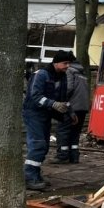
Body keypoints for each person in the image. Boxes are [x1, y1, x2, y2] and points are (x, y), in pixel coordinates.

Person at [22, 49, 71, 191]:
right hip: (34, 113)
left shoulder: (61, 76)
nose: (67, 66)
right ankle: (30, 178)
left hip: (44, 114)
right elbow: (35, 96)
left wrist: (70, 112)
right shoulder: (41, 75)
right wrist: (54, 104)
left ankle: (35, 176)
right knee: (38, 145)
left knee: (43, 146)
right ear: (56, 63)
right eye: (65, 63)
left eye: (68, 63)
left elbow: (63, 97)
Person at [54, 53, 91, 164]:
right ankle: (74, 156)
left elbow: (68, 88)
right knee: (75, 132)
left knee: (62, 131)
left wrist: (57, 95)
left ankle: (62, 156)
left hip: (72, 107)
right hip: (82, 107)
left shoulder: (70, 71)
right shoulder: (82, 73)